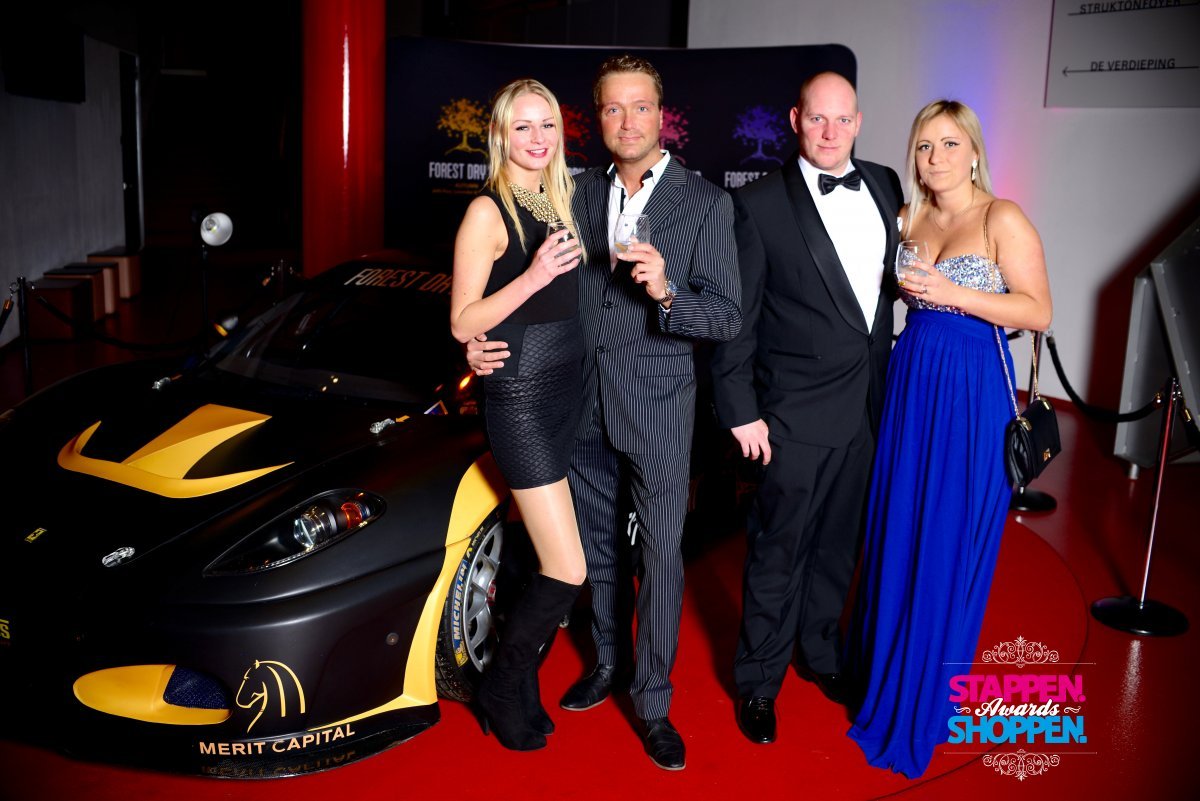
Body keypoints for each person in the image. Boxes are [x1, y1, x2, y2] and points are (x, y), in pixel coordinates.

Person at [470, 54, 742, 770]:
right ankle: (608, 664)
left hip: (658, 404)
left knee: (660, 557)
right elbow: (516, 279)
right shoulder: (573, 191)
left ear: (662, 114)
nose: (627, 121)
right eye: (613, 109)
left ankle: (653, 703)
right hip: (578, 403)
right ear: (597, 118)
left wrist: (669, 292)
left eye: (640, 107)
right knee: (594, 553)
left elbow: (727, 316)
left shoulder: (706, 203)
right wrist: (475, 342)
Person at [845, 99, 1052, 778]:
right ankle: (880, 676)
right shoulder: (909, 216)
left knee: (944, 535)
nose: (935, 158)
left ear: (974, 151)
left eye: (949, 144)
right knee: (899, 528)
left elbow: (1038, 310)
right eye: (924, 146)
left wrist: (952, 292)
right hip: (912, 381)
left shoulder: (1000, 217)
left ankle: (921, 701)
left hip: (970, 389)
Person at [709, 71, 903, 746]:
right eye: (817, 118)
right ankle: (759, 682)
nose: (829, 132)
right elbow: (736, 319)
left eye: (842, 119)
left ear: (859, 122)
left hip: (869, 406)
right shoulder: (757, 204)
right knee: (778, 551)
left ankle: (820, 652)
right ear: (795, 120)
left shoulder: (885, 184)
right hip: (791, 413)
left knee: (839, 546)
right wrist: (740, 410)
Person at [449, 77, 587, 752]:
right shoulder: (487, 210)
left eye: (548, 125)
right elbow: (462, 320)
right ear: (500, 135)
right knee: (568, 567)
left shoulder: (558, 198)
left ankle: (521, 683)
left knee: (536, 553)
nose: (537, 138)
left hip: (567, 392)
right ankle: (501, 686)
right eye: (523, 126)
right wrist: (532, 276)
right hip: (523, 398)